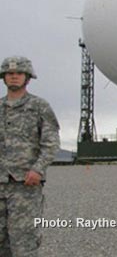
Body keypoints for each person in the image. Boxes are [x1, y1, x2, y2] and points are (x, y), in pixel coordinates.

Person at [0, 56, 60, 256]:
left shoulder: (39, 106)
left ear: (27, 78)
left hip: (25, 186)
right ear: (4, 77)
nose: (14, 77)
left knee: (24, 242)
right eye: (10, 73)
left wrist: (38, 169)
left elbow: (50, 143)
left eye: (19, 73)